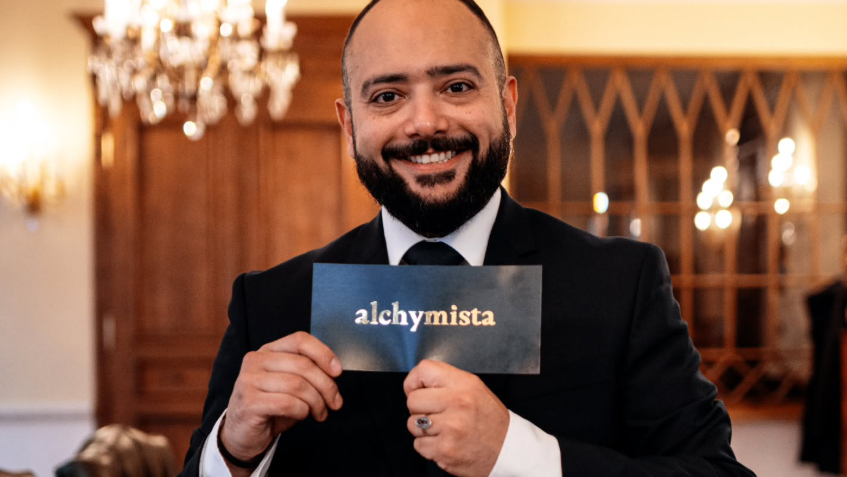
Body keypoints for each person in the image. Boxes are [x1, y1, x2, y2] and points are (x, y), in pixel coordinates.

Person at [180, 0, 755, 475]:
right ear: (349, 125)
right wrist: (234, 451)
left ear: (507, 104)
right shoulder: (273, 304)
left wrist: (520, 455)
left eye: (456, 86)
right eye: (387, 96)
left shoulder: (620, 285)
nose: (425, 123)